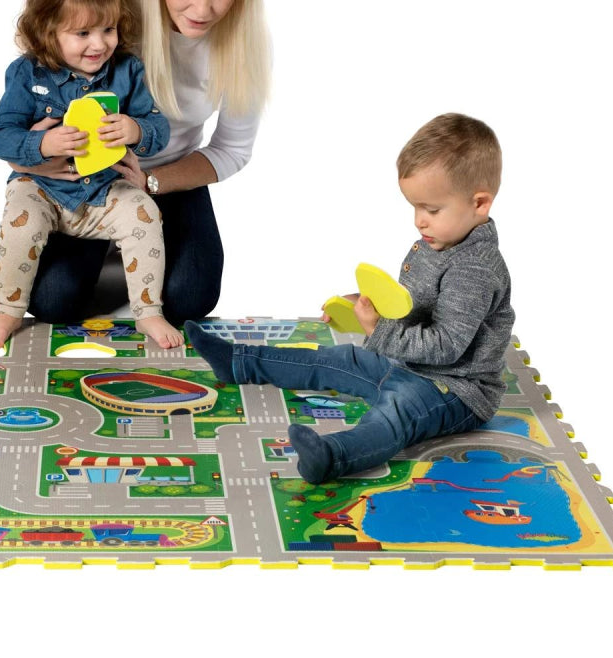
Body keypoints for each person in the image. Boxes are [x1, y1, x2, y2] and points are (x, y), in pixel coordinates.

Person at [185, 114, 515, 484]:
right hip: (404, 362)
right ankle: (239, 362)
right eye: (415, 207)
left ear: (480, 203)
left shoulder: (474, 269)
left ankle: (332, 456)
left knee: (396, 411)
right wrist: (364, 303)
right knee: (335, 359)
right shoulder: (439, 239)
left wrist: (379, 329)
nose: (419, 221)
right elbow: (413, 304)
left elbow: (446, 346)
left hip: (454, 389)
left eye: (431, 210)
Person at [14, 0, 270, 326]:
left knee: (190, 301)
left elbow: (232, 149)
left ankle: (136, 238)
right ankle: (113, 242)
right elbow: (33, 73)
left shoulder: (248, 42)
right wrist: (30, 155)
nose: (202, 10)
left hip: (170, 173)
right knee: (52, 302)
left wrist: (152, 182)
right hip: (86, 173)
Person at [0, 0, 184, 350]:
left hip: (105, 188)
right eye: (83, 33)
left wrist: (136, 130)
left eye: (108, 29)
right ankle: (9, 308)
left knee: (144, 213)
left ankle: (148, 310)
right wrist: (42, 146)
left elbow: (158, 127)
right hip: (41, 187)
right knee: (20, 223)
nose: (99, 44)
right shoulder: (27, 73)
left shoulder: (127, 70)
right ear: (47, 31)